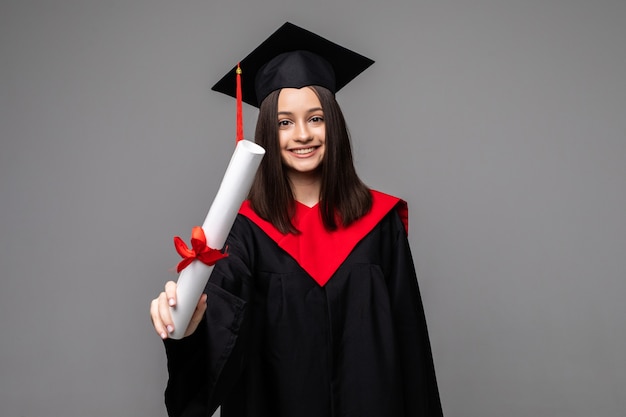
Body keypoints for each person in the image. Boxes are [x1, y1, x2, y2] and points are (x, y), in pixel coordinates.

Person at [150, 22, 443, 417]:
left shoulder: (380, 222)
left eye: (316, 118)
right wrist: (185, 330)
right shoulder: (245, 232)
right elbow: (217, 351)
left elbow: (411, 351)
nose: (302, 134)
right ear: (268, 132)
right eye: (284, 122)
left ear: (333, 125)